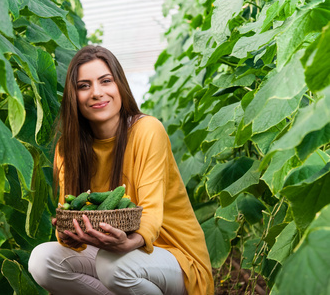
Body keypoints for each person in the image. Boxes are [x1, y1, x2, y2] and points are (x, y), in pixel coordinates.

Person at [28, 45, 213, 295]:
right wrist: (68, 233)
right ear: (74, 96)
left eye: (106, 81)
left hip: (173, 255)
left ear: (120, 86)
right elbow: (71, 212)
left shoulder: (147, 131)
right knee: (42, 261)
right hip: (114, 255)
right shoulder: (67, 148)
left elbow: (151, 214)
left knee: (112, 265)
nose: (96, 92)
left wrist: (130, 242)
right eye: (84, 85)